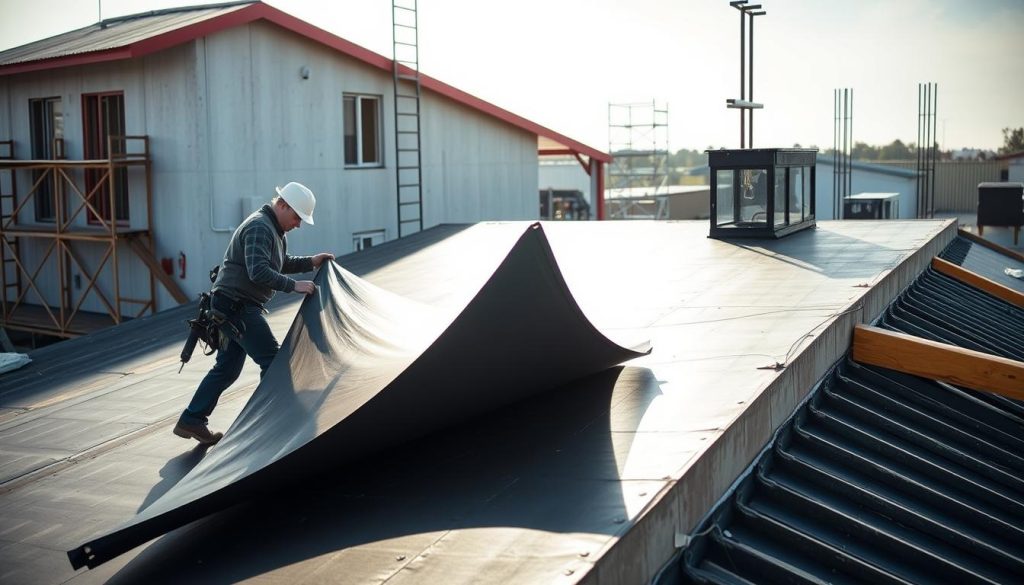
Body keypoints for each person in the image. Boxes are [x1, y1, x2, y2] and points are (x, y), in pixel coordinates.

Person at [173, 182, 335, 445]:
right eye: (297, 217)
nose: (299, 224)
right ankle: (271, 421)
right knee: (273, 362)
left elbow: (279, 263)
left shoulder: (272, 228)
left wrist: (311, 261)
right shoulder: (261, 227)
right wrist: (294, 286)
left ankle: (192, 419)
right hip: (238, 307)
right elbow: (257, 271)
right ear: (282, 205)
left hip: (230, 306)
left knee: (227, 369)